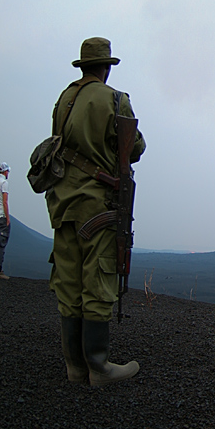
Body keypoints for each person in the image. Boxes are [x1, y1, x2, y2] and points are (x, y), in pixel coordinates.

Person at [46, 37, 146, 386]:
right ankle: (99, 367)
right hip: (97, 206)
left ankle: (75, 367)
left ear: (82, 66)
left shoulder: (65, 99)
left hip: (63, 205)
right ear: (107, 67)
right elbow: (135, 147)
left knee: (68, 280)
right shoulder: (116, 100)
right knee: (98, 280)